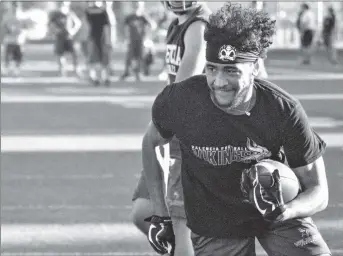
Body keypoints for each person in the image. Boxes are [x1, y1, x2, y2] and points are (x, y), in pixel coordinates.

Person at [143, 3, 331, 256]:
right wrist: (160, 214)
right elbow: (150, 142)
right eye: (212, 69)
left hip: (275, 213)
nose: (219, 82)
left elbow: (319, 192)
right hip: (216, 219)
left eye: (231, 71)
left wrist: (286, 210)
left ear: (254, 68)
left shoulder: (282, 109)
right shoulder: (182, 99)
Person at [131, 1, 211, 255]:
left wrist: (164, 117)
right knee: (144, 211)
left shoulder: (198, 25)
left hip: (192, 126)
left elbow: (185, 84)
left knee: (178, 222)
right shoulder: (176, 24)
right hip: (175, 121)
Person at [120, 2, 155, 81]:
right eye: (135, 6)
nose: (136, 8)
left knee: (140, 57)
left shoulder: (143, 17)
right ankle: (127, 72)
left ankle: (138, 73)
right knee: (130, 57)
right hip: (131, 40)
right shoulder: (129, 17)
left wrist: (147, 36)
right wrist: (126, 38)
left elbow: (152, 25)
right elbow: (125, 28)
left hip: (141, 40)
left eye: (138, 6)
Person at [85, 1, 116, 86]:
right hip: (94, 37)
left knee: (104, 59)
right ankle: (95, 77)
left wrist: (110, 39)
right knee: (95, 58)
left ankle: (104, 78)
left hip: (103, 37)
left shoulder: (104, 11)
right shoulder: (91, 10)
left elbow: (111, 24)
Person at [48, 1, 82, 76]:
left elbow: (78, 23)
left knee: (74, 54)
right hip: (59, 37)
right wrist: (55, 30)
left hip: (69, 37)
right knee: (60, 55)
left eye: (64, 3)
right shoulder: (55, 14)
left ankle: (76, 70)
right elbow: (50, 24)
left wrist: (73, 31)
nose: (63, 4)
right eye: (61, 3)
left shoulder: (70, 13)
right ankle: (62, 72)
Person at [1, 2, 28, 77]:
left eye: (17, 6)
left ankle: (17, 71)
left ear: (19, 6)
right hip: (9, 40)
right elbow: (3, 26)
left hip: (19, 40)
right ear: (11, 6)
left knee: (19, 57)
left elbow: (26, 26)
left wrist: (22, 31)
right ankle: (6, 70)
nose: (15, 7)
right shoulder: (7, 15)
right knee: (7, 56)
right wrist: (8, 30)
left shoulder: (23, 15)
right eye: (14, 6)